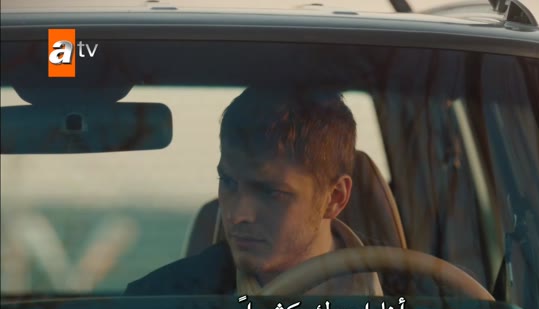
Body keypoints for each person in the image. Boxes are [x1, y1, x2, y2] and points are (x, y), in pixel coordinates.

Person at [124, 86, 383, 296]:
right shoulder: (156, 304)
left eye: (271, 193)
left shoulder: (404, 292)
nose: (238, 215)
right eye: (228, 182)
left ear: (335, 198)